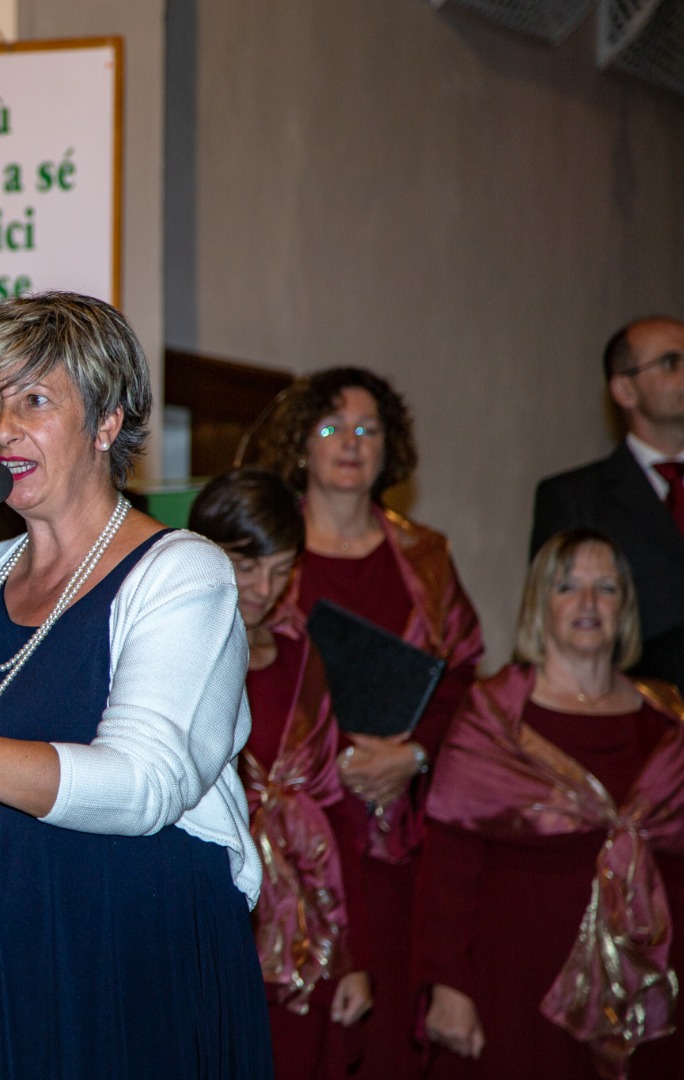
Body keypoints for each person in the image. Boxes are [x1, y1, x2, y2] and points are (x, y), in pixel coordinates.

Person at [0, 291, 269, 1078]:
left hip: (110, 968)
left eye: (34, 399)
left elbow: (145, 784)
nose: (2, 428)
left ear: (106, 422)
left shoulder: (180, 572)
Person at [251, 366, 484, 1080]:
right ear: (301, 444)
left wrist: (412, 756)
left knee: (383, 1034)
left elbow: (462, 679)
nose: (350, 442)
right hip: (288, 832)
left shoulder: (425, 556)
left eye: (367, 428)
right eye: (331, 427)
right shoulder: (262, 555)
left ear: (389, 448)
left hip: (394, 825)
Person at [415, 529, 684, 1079]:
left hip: (650, 987)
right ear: (541, 604)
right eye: (568, 587)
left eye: (606, 588)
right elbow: (446, 867)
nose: (588, 603)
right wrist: (448, 985)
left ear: (625, 608)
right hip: (515, 983)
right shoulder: (494, 717)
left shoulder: (667, 719)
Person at [190, 468, 372, 1079]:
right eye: (246, 567)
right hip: (210, 918)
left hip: (302, 926)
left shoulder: (299, 654)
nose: (264, 589)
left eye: (281, 569)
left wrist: (351, 957)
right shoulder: (173, 652)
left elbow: (334, 807)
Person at [532, 316, 684, 692]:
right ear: (625, 390)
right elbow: (557, 626)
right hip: (634, 708)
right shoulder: (574, 497)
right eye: (671, 362)